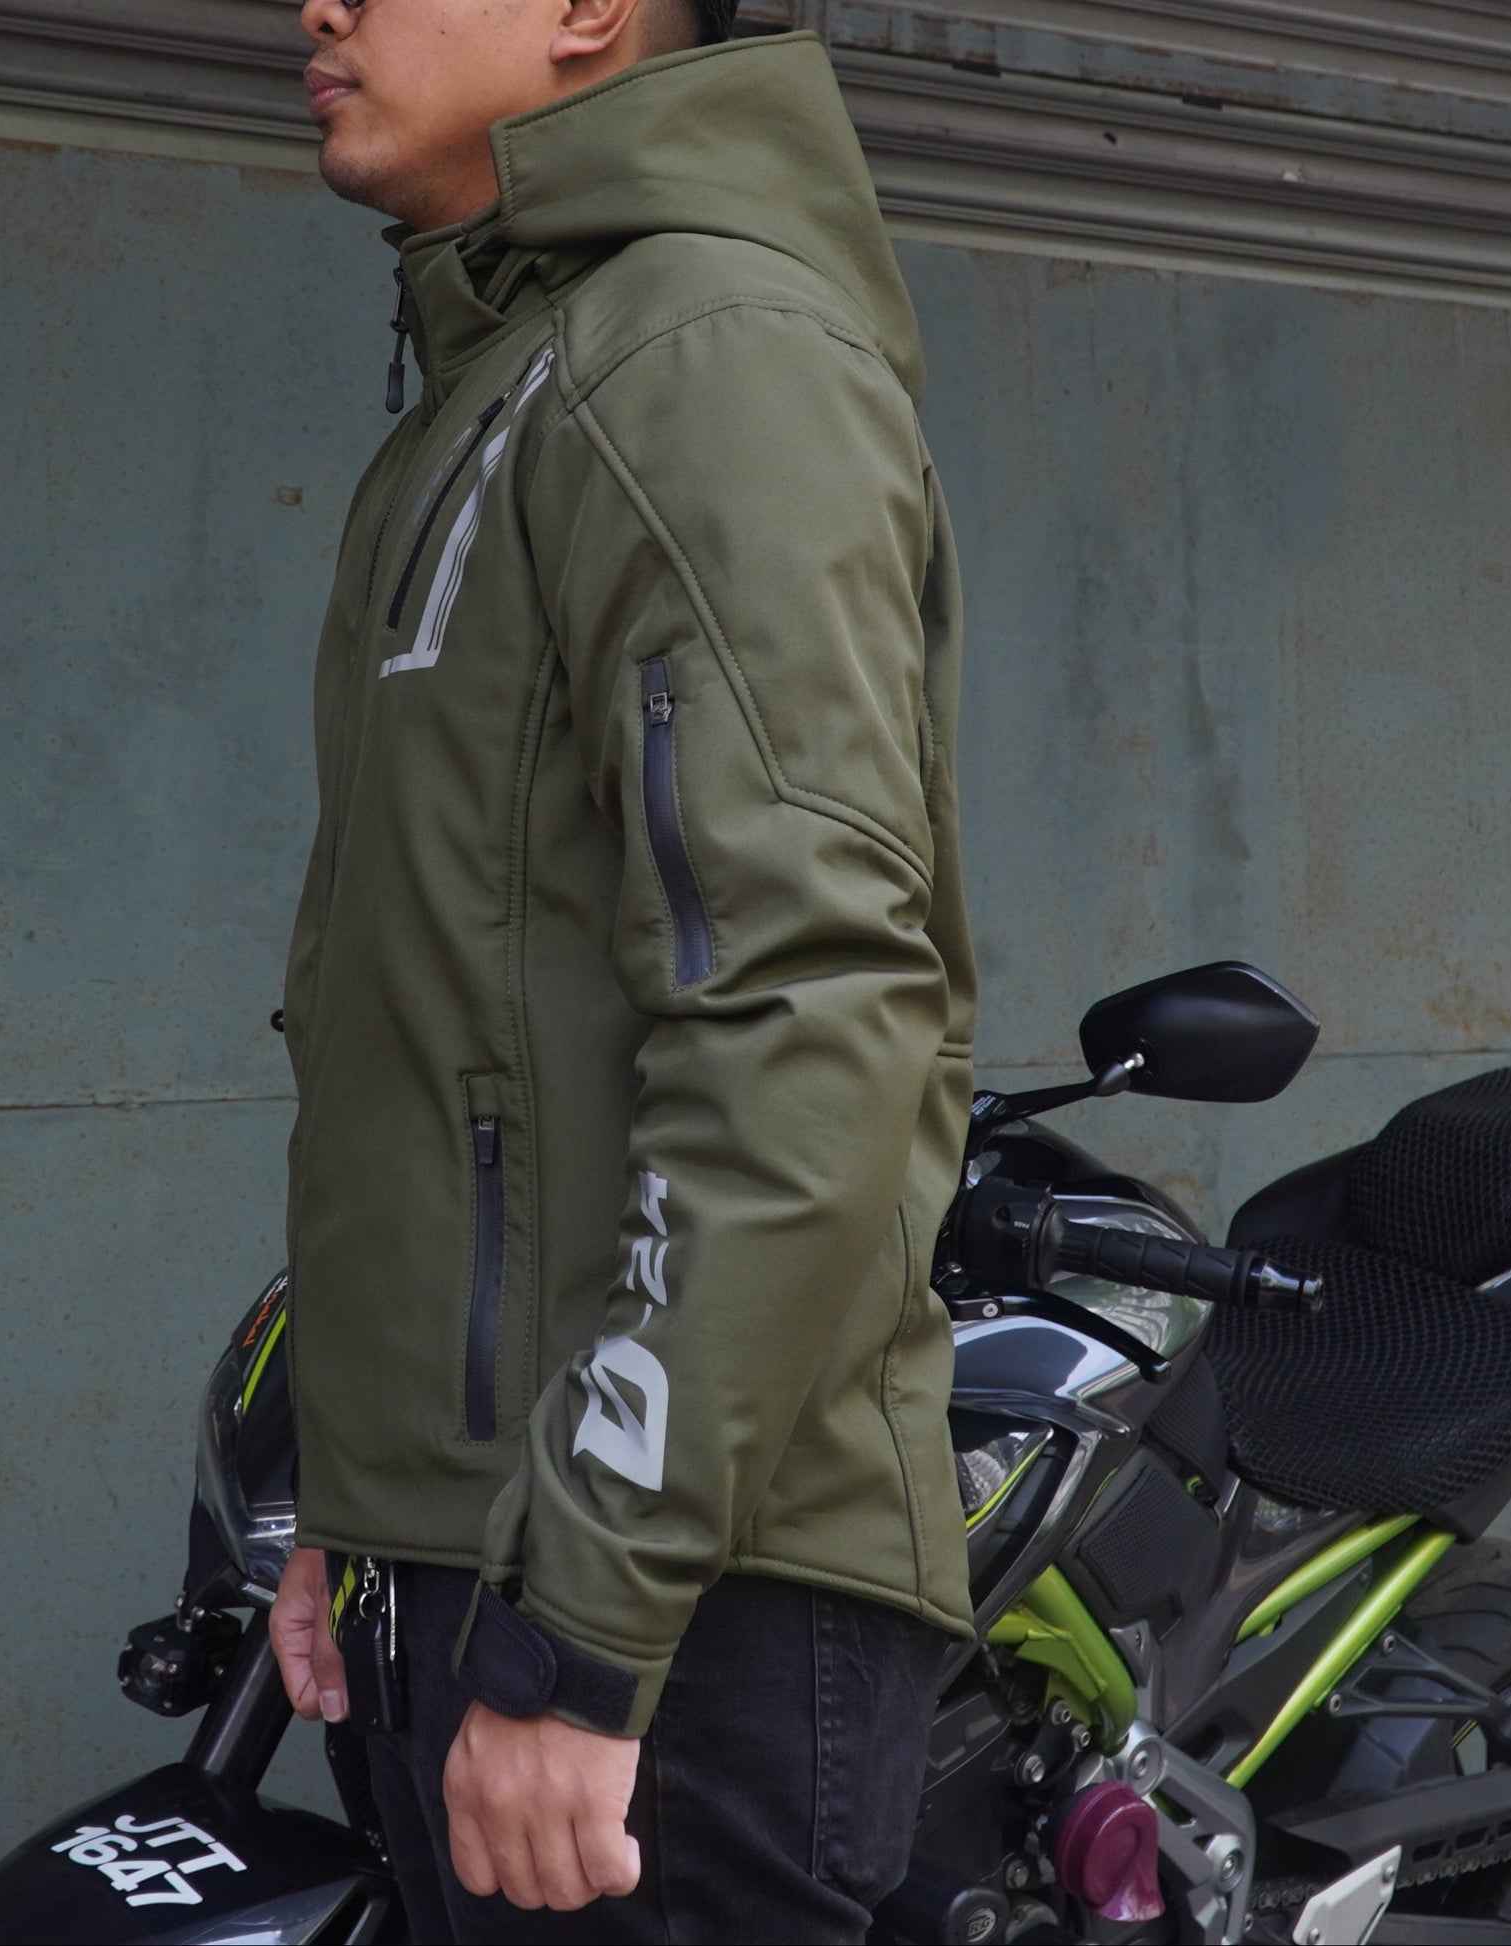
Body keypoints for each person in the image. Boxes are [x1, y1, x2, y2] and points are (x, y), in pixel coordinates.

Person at [267, 0, 978, 1937]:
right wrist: (365, 1506)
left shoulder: (703, 357)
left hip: (670, 1608)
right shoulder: (508, 381)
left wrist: (587, 1619)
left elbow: (804, 1009)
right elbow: (459, 1020)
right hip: (484, 1555)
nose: (316, 5)